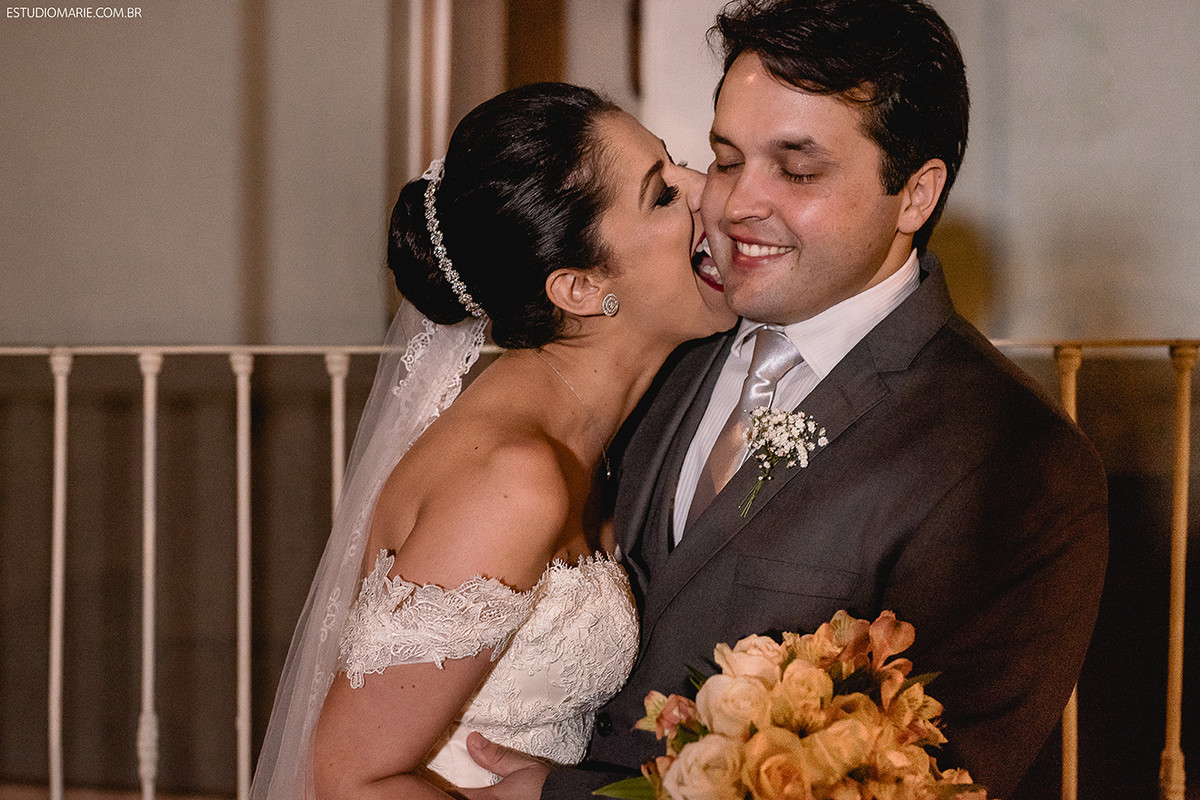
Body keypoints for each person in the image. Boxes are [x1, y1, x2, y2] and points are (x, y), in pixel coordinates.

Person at [465, 1, 1109, 798]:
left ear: (915, 194)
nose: (735, 205)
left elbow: (924, 783)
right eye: (726, 159)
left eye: (797, 171)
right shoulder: (663, 345)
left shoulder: (1016, 461)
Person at [248, 81, 736, 800]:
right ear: (577, 288)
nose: (704, 189)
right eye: (661, 195)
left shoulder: (599, 431)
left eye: (678, 163)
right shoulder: (512, 481)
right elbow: (348, 778)